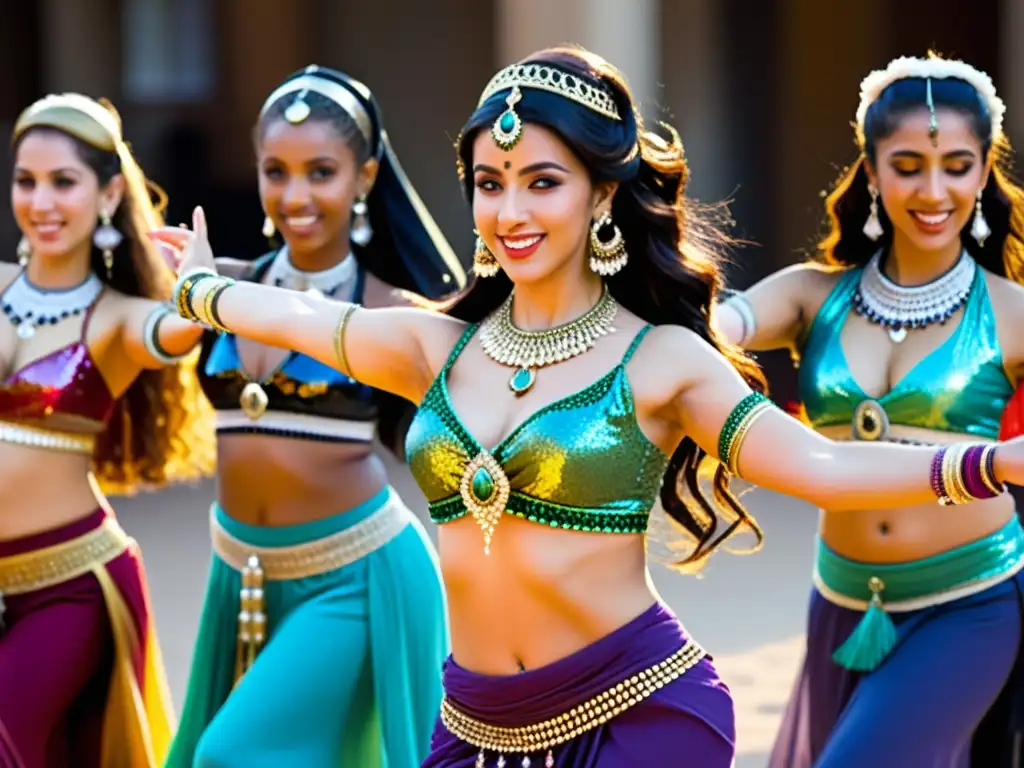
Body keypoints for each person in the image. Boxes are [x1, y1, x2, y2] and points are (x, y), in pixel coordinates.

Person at [153, 47, 1024, 768]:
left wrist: (990, 464)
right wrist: (199, 289)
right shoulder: (433, 347)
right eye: (490, 183)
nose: (510, 210)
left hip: (639, 715)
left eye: (543, 182)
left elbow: (820, 463)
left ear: (602, 195)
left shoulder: (662, 360)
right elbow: (311, 317)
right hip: (472, 728)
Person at [717, 54, 1024, 767]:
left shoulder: (1009, 314)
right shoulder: (808, 295)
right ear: (872, 170)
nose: (934, 189)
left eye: (957, 165)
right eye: (908, 164)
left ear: (983, 173)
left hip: (969, 606)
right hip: (843, 606)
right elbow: (715, 329)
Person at [163, 65, 462, 768]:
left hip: (357, 576)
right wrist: (179, 293)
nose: (295, 195)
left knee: (230, 754)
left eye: (320, 172)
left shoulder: (393, 309)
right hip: (240, 576)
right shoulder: (222, 285)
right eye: (276, 171)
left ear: (363, 178)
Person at [0, 93, 214, 767]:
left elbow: (171, 333)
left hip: (70, 589)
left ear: (109, 192)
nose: (42, 201)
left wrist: (198, 293)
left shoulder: (117, 316)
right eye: (26, 181)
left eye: (64, 182)